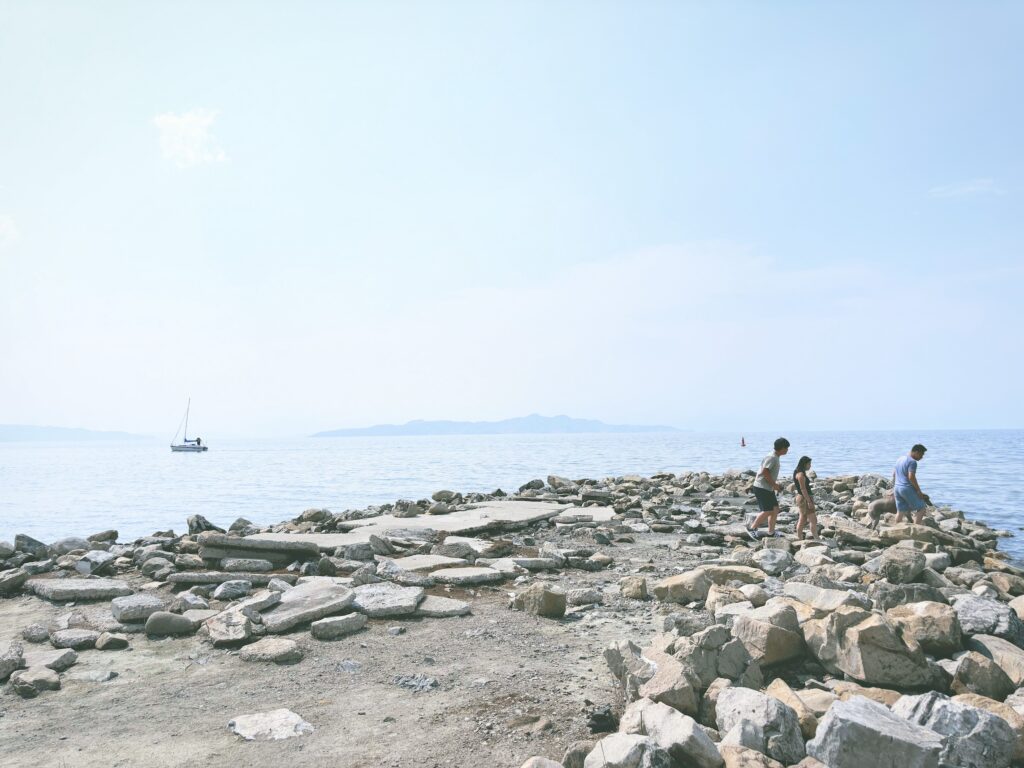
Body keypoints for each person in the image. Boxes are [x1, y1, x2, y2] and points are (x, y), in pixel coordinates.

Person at [747, 437, 790, 539]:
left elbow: (768, 473)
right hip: (761, 487)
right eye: (786, 448)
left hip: (767, 487)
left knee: (775, 509)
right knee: (768, 510)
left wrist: (775, 485)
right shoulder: (772, 457)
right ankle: (752, 528)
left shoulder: (775, 456)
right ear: (782, 448)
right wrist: (775, 485)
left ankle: (771, 532)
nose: (787, 450)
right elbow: (765, 472)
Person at [893, 444, 931, 524]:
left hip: (897, 488)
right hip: (906, 488)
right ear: (916, 452)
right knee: (921, 508)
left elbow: (894, 474)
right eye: (921, 454)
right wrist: (918, 491)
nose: (922, 457)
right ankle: (916, 530)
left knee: (900, 511)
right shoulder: (912, 462)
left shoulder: (900, 459)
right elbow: (911, 477)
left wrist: (895, 485)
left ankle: (896, 527)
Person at [792, 455, 817, 540]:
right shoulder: (800, 474)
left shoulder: (797, 472)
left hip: (802, 497)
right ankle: (816, 538)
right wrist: (809, 501)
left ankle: (799, 538)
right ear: (804, 464)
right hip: (804, 498)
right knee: (813, 519)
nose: (810, 466)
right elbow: (803, 489)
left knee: (802, 518)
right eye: (809, 464)